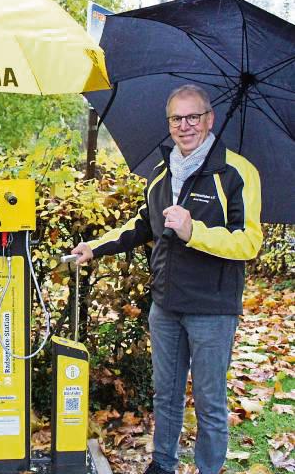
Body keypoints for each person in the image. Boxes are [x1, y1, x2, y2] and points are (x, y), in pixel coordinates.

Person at [72, 84, 263, 474]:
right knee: (166, 395)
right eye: (177, 118)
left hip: (212, 308)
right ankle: (162, 463)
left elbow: (250, 241)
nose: (185, 125)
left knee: (210, 402)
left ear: (209, 119)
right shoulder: (162, 173)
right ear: (169, 123)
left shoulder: (237, 172)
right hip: (166, 305)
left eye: (194, 117)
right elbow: (142, 225)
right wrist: (95, 246)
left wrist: (196, 232)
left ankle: (209, 468)